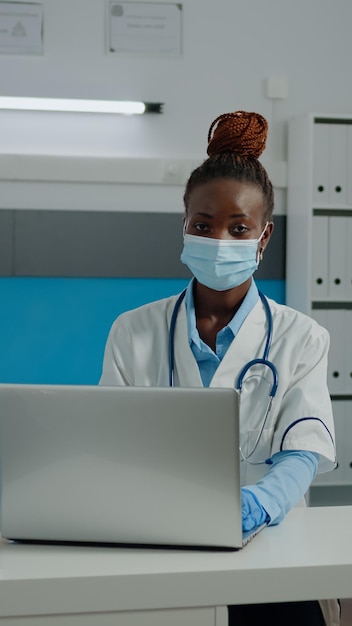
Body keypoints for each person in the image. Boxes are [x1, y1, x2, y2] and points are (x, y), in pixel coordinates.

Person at [100, 110, 338, 626]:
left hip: (272, 554)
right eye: (203, 226)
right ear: (184, 226)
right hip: (158, 547)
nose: (219, 240)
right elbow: (108, 444)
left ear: (264, 236)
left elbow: (304, 449)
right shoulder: (132, 332)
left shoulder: (302, 338)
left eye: (239, 228)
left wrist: (258, 504)